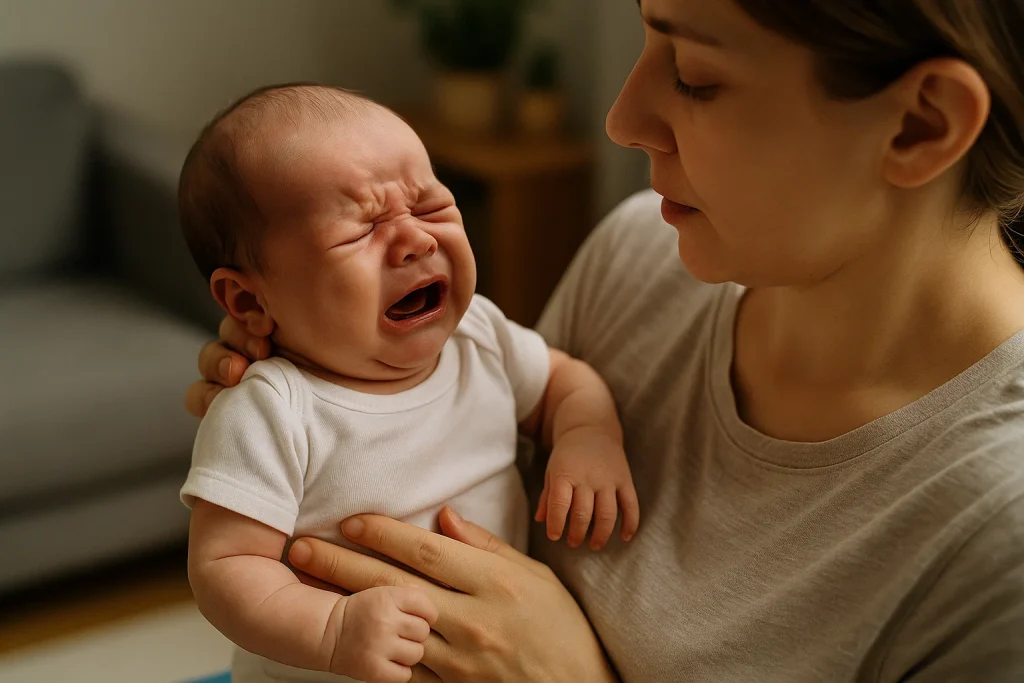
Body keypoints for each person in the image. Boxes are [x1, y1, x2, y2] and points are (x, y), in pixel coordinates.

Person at [186, 1, 1024, 680]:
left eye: (696, 76)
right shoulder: (642, 252)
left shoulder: (996, 538)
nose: (622, 118)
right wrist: (312, 354)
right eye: (644, 39)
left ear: (920, 124)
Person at [177, 85, 639, 683]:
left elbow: (564, 382)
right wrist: (332, 630)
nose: (417, 239)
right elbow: (224, 565)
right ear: (248, 300)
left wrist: (588, 438)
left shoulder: (481, 338)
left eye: (431, 207)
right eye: (359, 231)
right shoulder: (274, 409)